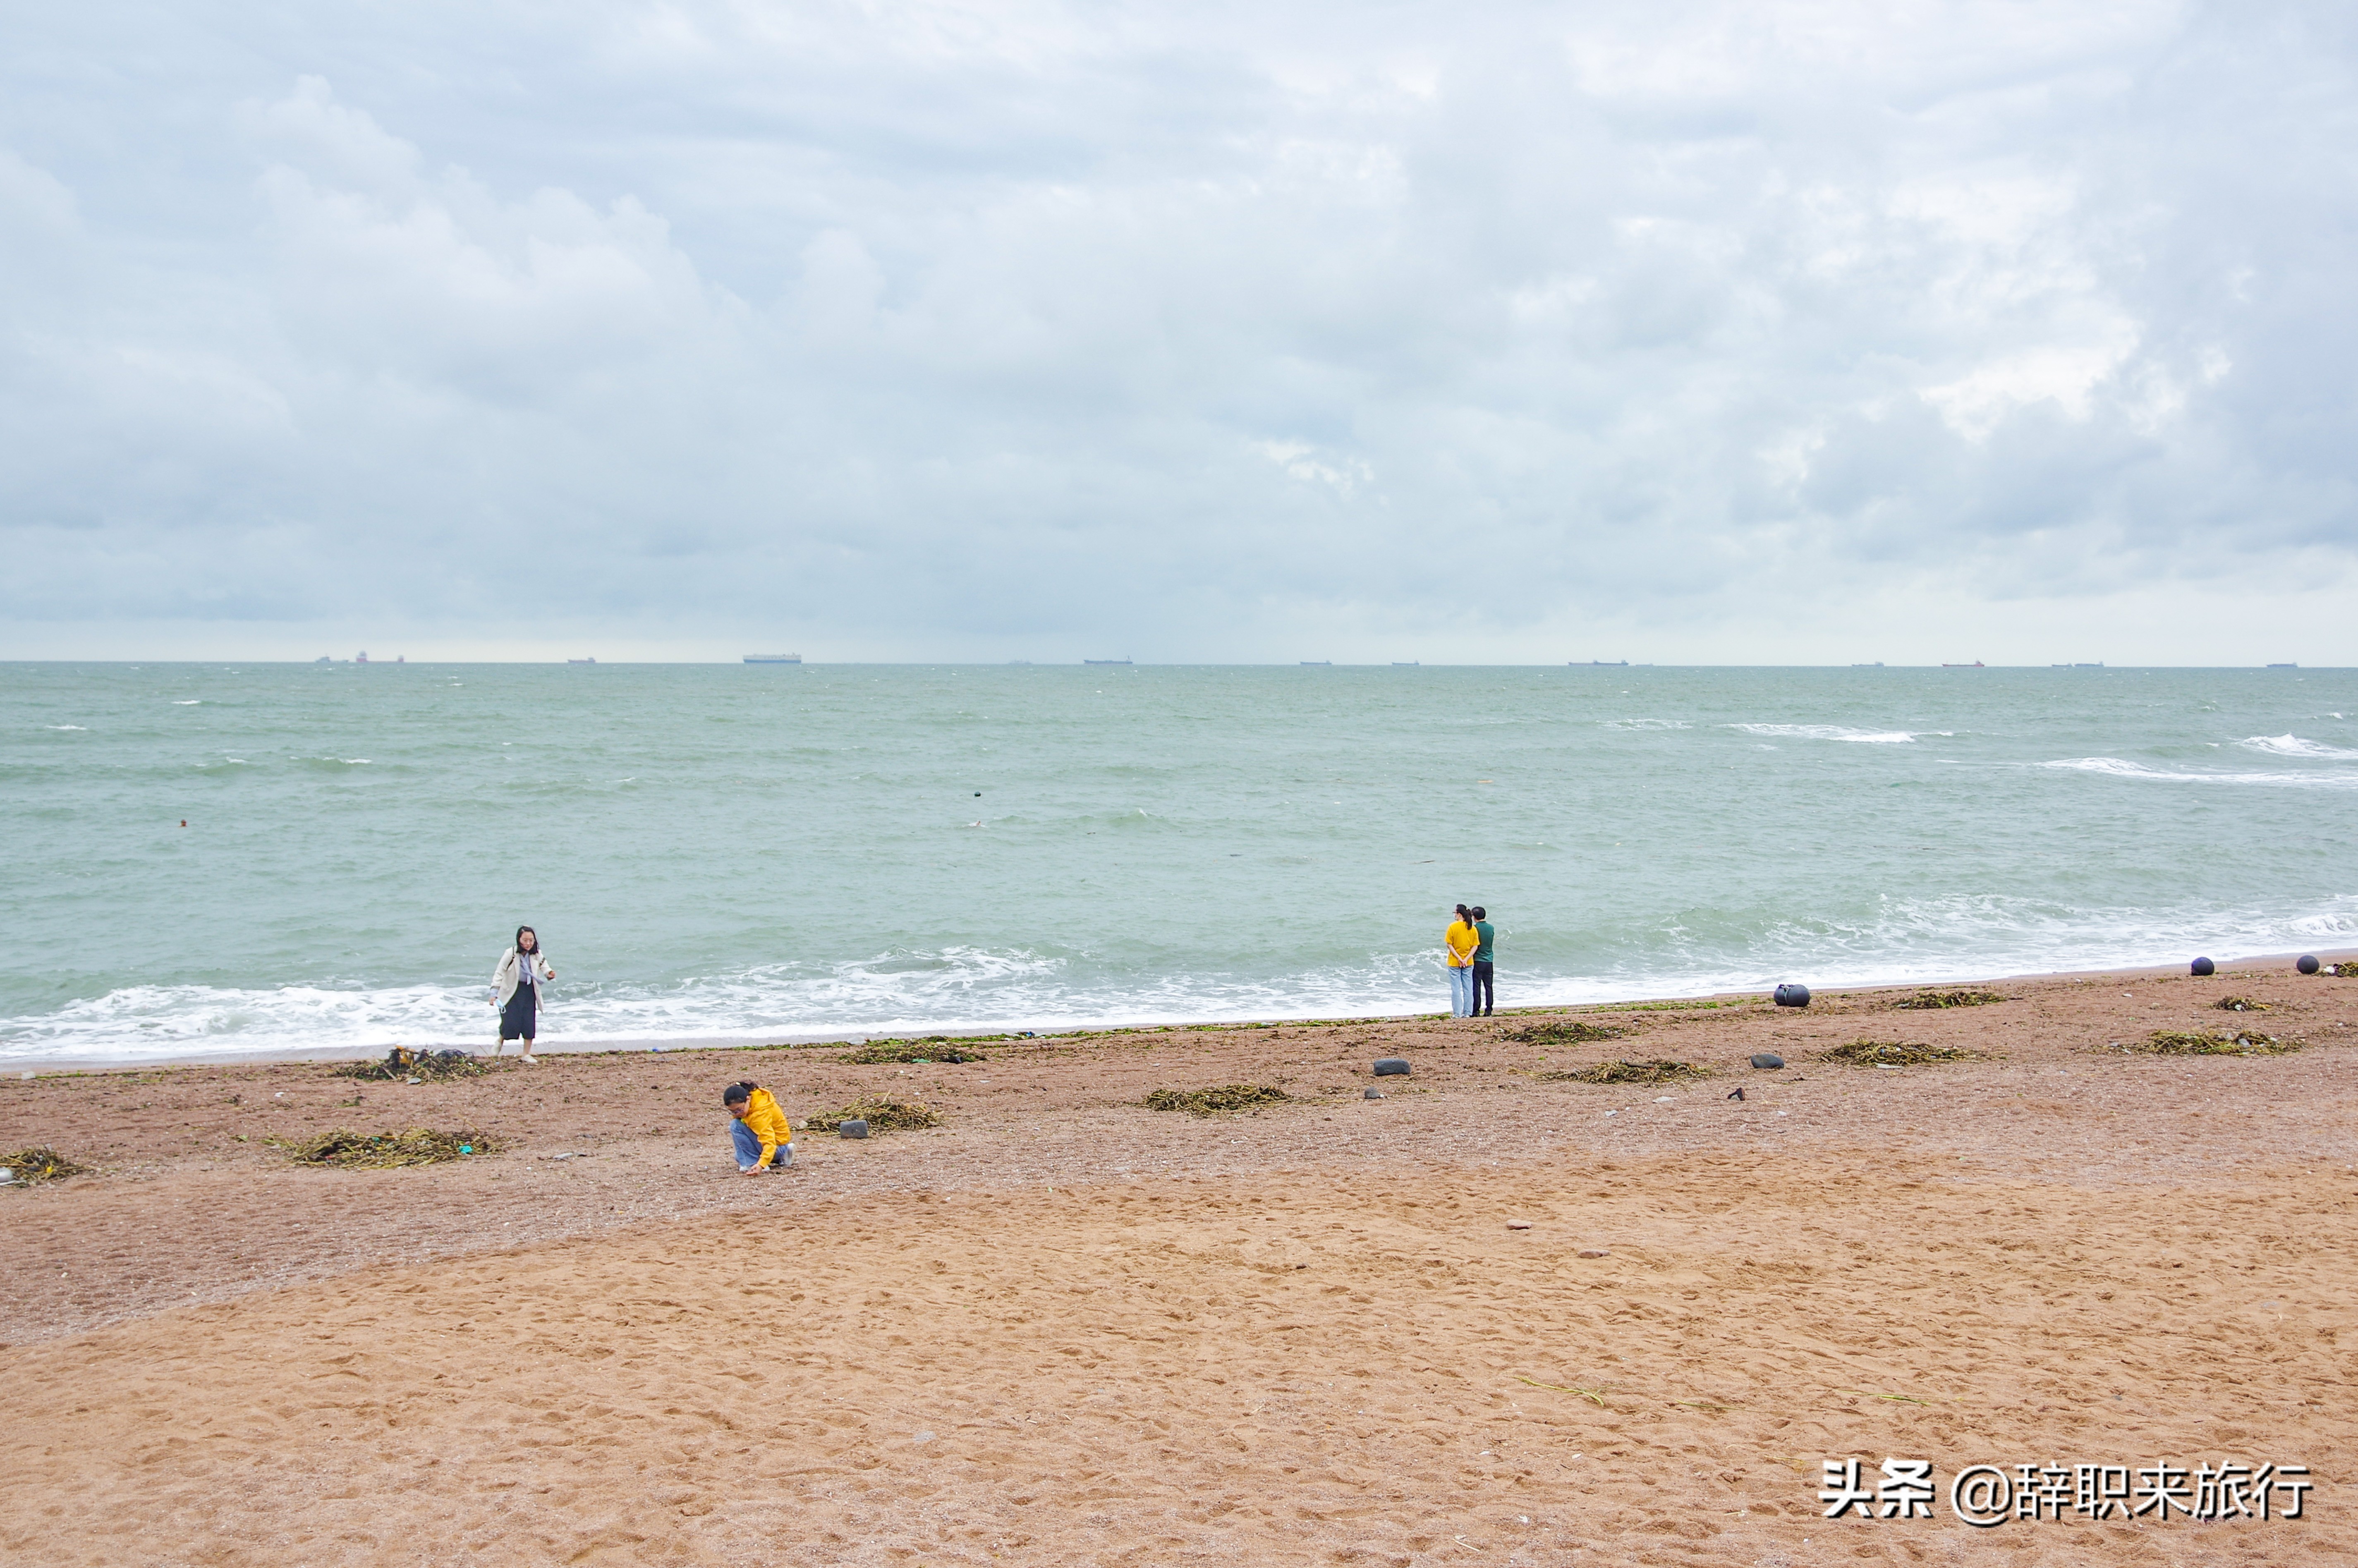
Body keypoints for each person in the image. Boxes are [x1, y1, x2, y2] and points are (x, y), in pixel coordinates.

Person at [491, 926, 554, 1063]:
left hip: (529, 990)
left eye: (531, 940)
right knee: (510, 1021)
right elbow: (500, 972)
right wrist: (494, 993)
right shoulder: (511, 953)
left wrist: (549, 974)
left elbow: (544, 966)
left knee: (528, 1021)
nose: (528, 943)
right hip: (512, 991)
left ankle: (526, 1054)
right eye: (525, 940)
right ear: (519, 940)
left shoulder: (536, 954)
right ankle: (500, 1041)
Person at [724, 1080, 794, 1174]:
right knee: (739, 1156)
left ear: (748, 1099)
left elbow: (769, 1141)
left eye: (739, 1110)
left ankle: (752, 1164)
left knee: (736, 1126)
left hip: (776, 1147)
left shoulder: (759, 1114)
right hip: (780, 1145)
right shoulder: (755, 1101)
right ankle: (784, 1155)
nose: (737, 1114)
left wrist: (762, 1165)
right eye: (733, 1112)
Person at [1444, 903, 1480, 1017]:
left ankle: (1457, 1013)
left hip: (1455, 961)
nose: (1454, 915)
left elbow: (1449, 945)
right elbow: (1475, 946)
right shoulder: (1472, 928)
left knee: (1456, 989)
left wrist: (1460, 958)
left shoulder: (1453, 927)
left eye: (1455, 913)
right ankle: (1468, 1013)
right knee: (1468, 988)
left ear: (1459, 914)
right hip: (1469, 962)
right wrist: (1466, 959)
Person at [1470, 906, 1497, 1017]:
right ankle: (1489, 1009)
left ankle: (1476, 1010)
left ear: (1474, 917)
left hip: (1478, 960)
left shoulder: (1474, 929)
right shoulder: (1491, 928)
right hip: (1489, 960)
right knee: (1489, 986)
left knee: (1476, 986)